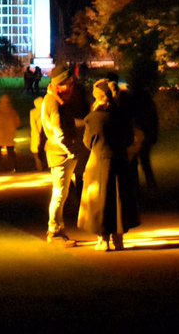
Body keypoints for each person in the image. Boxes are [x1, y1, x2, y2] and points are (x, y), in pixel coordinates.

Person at [78, 79, 142, 251]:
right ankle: (118, 238)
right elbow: (129, 139)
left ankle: (103, 238)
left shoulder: (93, 118)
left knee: (101, 199)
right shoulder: (122, 115)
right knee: (119, 197)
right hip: (120, 161)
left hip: (99, 161)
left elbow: (87, 142)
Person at [42, 67, 81, 245]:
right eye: (68, 85)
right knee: (58, 194)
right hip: (60, 154)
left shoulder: (56, 100)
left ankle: (59, 228)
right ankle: (54, 230)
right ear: (59, 85)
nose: (71, 88)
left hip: (62, 152)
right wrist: (69, 150)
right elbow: (57, 131)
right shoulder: (52, 102)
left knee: (62, 194)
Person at [0, 94, 22, 171]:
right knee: (10, 151)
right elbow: (17, 122)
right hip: (10, 134)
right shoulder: (12, 111)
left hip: (0, 134)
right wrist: (14, 128)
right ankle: (13, 166)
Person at [28, 96, 46, 170]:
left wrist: (35, 132)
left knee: (36, 151)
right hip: (44, 134)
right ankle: (41, 165)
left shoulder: (33, 112)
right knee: (42, 150)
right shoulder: (46, 111)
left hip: (37, 134)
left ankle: (39, 166)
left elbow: (33, 124)